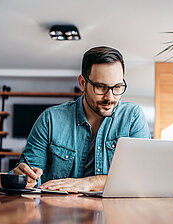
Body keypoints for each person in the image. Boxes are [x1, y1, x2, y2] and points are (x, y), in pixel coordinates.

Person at [13, 46, 150, 192]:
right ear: (83, 83)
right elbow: (27, 175)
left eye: (117, 87)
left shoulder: (133, 117)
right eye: (101, 87)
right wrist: (24, 178)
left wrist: (89, 183)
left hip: (115, 212)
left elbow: (141, 177)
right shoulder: (50, 119)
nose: (110, 97)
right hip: (58, 211)